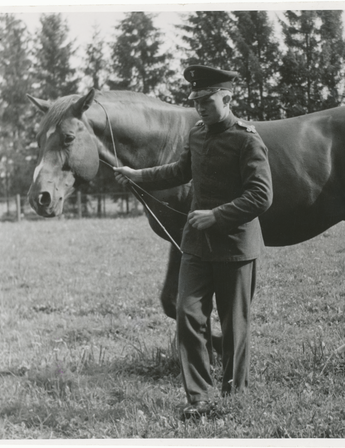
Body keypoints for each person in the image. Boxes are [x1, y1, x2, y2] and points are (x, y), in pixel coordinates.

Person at [113, 65, 273, 419]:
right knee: (187, 314)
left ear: (227, 98)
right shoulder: (197, 134)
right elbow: (179, 170)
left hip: (235, 247)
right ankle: (198, 397)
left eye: (207, 100)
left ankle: (234, 396)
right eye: (196, 101)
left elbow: (261, 196)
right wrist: (138, 175)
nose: (200, 107)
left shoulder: (248, 139)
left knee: (234, 327)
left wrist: (217, 215)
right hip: (197, 245)